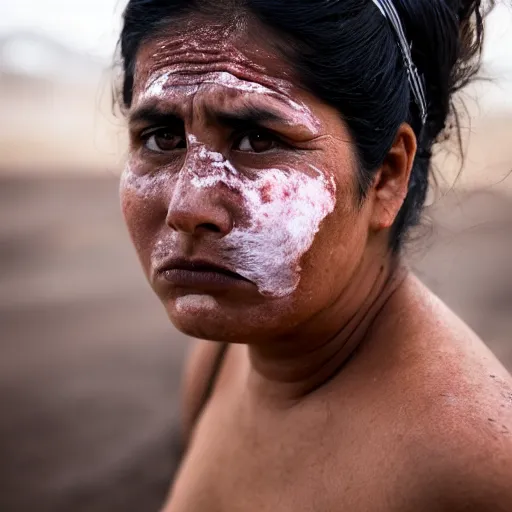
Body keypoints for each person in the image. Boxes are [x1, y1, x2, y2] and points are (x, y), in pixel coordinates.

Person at [117, 0, 512, 509]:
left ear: (387, 175)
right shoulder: (222, 360)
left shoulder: (476, 470)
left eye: (257, 140)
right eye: (162, 137)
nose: (186, 207)